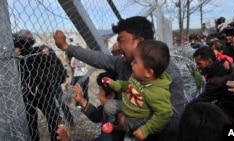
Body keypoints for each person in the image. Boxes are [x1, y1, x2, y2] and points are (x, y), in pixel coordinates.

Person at [54, 16, 185, 141]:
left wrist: (128, 122)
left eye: (121, 40)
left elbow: (173, 119)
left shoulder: (167, 72)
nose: (117, 46)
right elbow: (99, 58)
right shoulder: (124, 64)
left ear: (139, 42)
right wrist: (67, 47)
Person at [102, 40, 173, 141]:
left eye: (135, 61)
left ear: (148, 72)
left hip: (136, 120)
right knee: (108, 105)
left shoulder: (158, 92)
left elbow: (165, 114)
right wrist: (113, 84)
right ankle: (116, 125)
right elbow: (128, 86)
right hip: (127, 106)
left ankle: (124, 130)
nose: (131, 63)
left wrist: (145, 130)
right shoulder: (138, 76)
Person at [14, 30, 62, 141]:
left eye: (30, 37)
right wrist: (14, 57)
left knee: (54, 118)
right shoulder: (17, 54)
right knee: (31, 123)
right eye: (27, 37)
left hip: (44, 90)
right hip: (27, 92)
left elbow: (54, 60)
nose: (30, 39)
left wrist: (47, 51)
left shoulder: (39, 51)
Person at [56, 71, 125, 141]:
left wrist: (68, 140)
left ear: (111, 96)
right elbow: (96, 115)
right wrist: (81, 100)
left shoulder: (115, 122)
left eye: (100, 90)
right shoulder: (111, 108)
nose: (98, 94)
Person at [192, 47, 234, 124]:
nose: (197, 67)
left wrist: (187, 109)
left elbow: (201, 100)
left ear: (209, 62)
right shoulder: (231, 66)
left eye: (199, 63)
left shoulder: (216, 80)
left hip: (232, 116)